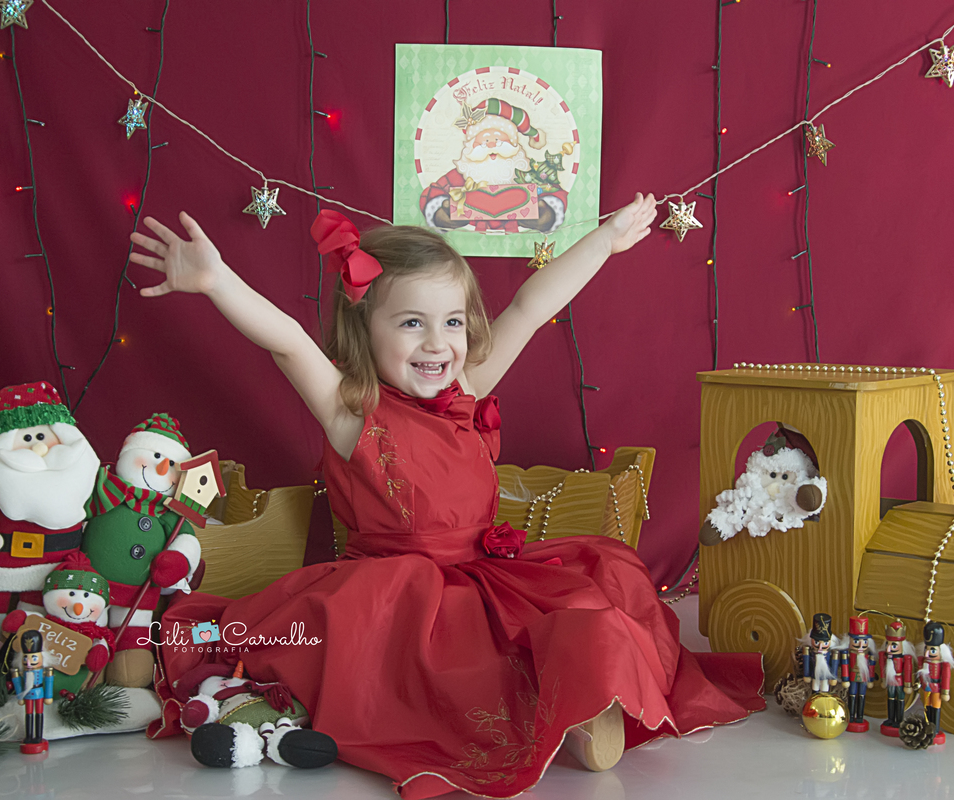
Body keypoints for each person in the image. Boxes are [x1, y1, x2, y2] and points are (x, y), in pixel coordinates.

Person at [128, 195, 766, 798]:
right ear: (364, 329)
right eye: (411, 323)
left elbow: (527, 307)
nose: (437, 344)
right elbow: (288, 338)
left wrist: (605, 240)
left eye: (452, 322)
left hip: (487, 573)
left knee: (598, 587)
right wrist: (216, 282)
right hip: (395, 592)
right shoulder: (353, 412)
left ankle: (588, 695)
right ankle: (563, 714)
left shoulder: (467, 386)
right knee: (453, 660)